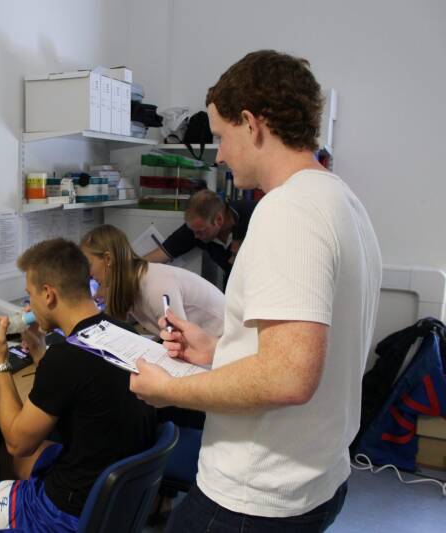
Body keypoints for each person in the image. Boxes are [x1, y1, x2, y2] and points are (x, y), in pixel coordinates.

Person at [129, 49, 382, 532]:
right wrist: (217, 351)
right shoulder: (342, 200)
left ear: (253, 124)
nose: (219, 154)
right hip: (317, 479)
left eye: (222, 135)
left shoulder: (288, 211)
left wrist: (172, 388)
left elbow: (288, 377)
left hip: (255, 494)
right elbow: (301, 350)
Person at [0, 238, 157, 533]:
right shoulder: (122, 331)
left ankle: (23, 519)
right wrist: (38, 350)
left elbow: (18, 442)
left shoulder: (67, 358)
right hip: (113, 500)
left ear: (48, 295)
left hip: (65, 514)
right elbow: (78, 385)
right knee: (5, 456)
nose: (29, 305)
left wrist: (0, 360)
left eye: (30, 295)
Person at [80, 224, 225, 338]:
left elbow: (180, 343)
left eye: (89, 264)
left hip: (223, 343)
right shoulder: (135, 278)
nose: (89, 274)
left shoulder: (155, 286)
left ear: (108, 259)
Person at [143, 189, 255, 282]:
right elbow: (158, 255)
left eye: (200, 231)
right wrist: (128, 270)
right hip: (234, 286)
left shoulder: (255, 217)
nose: (195, 236)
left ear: (219, 220)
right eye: (194, 231)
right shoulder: (196, 229)